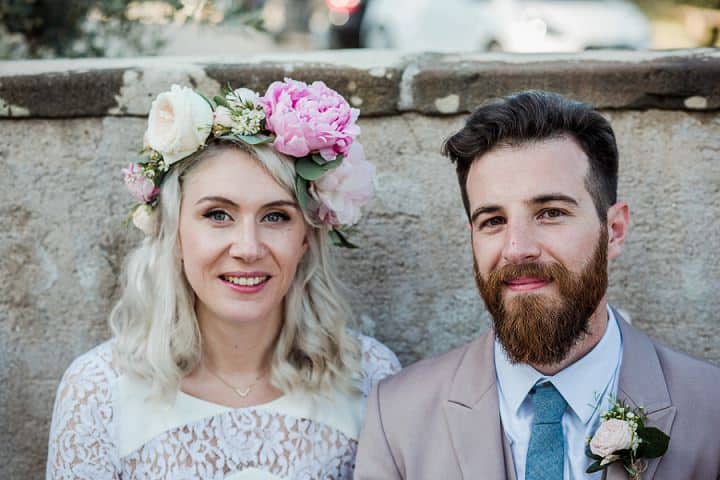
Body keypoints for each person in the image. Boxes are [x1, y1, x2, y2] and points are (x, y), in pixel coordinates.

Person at [355, 90, 720, 479]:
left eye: (550, 213)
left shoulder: (711, 409)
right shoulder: (396, 416)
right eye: (493, 221)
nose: (517, 249)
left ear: (613, 231)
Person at [46, 79, 400, 479]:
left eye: (275, 216)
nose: (248, 248)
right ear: (175, 233)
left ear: (305, 238)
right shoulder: (98, 390)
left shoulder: (369, 377)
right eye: (218, 215)